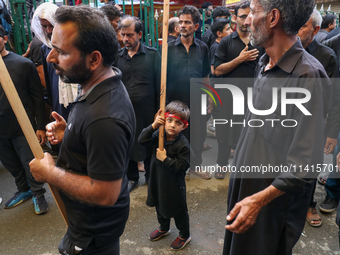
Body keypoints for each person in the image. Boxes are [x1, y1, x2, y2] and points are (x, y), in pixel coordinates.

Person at [222, 0, 331, 254]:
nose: (246, 21)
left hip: (269, 209)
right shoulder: (265, 62)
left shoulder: (306, 76)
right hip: (246, 194)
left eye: (252, 12)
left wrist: (259, 200)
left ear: (272, 18)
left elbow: (305, 163)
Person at [29, 5, 135, 254]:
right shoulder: (101, 83)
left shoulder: (104, 118)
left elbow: (105, 193)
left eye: (60, 52)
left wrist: (50, 173)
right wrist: (73, 134)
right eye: (51, 47)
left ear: (94, 59)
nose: (49, 57)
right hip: (86, 225)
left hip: (92, 236)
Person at [297, 9, 340, 227]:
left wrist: (332, 132)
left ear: (315, 29)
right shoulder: (284, 51)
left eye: (302, 26)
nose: (296, 31)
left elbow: (333, 97)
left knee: (310, 167)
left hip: (314, 124)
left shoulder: (325, 56)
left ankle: (308, 203)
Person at [0, 25, 48, 214]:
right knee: (11, 163)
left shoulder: (22, 64)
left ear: (5, 38)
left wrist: (40, 126)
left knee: (31, 163)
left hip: (23, 126)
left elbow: (38, 97)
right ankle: (24, 190)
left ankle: (38, 193)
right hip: (1, 130)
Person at [213, 0, 263, 179]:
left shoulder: (260, 41)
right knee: (225, 134)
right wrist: (239, 59)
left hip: (253, 100)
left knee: (250, 134)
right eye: (242, 16)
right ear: (235, 18)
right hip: (229, 99)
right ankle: (221, 164)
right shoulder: (226, 42)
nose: (246, 20)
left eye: (249, 15)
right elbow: (217, 70)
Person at [114, 16, 160, 192]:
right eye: (123, 34)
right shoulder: (116, 58)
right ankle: (132, 177)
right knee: (128, 144)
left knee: (149, 142)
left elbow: (160, 85)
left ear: (139, 34)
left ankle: (150, 176)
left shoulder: (153, 56)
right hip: (124, 113)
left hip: (148, 112)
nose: (125, 39)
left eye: (130, 35)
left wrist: (159, 111)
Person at [166, 5, 211, 179]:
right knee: (174, 133)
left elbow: (205, 74)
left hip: (197, 98)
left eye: (187, 22)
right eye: (181, 22)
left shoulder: (203, 48)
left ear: (196, 26)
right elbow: (161, 77)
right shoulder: (168, 49)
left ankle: (195, 165)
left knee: (198, 134)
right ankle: (175, 166)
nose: (183, 25)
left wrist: (210, 99)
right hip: (175, 100)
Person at [139, 101, 191, 251]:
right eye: (169, 120)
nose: (172, 125)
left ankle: (184, 234)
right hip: (157, 180)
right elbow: (142, 140)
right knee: (159, 203)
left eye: (178, 123)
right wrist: (154, 125)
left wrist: (165, 159)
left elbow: (183, 166)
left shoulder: (183, 144)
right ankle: (164, 227)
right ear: (164, 120)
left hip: (173, 185)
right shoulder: (159, 135)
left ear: (184, 126)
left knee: (178, 210)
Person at [31, 2, 77, 122]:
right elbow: (47, 77)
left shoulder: (75, 43)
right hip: (58, 98)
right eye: (44, 26)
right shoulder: (44, 48)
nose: (49, 30)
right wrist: (51, 102)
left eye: (51, 25)